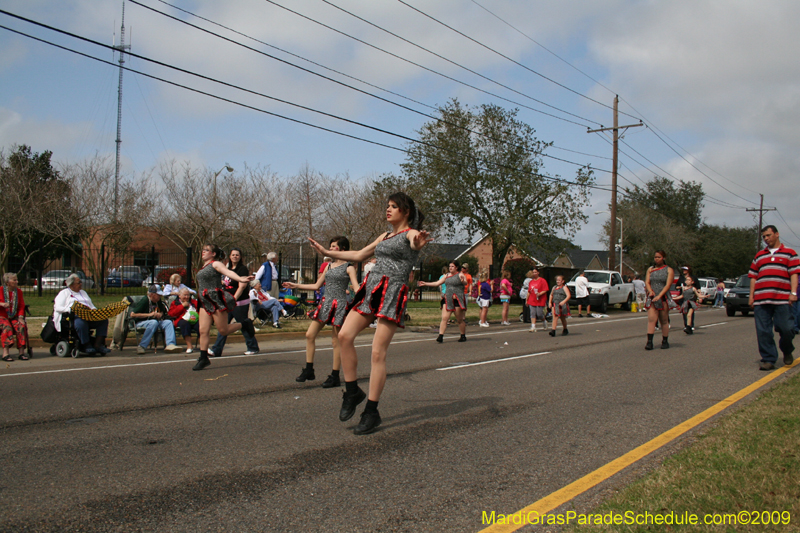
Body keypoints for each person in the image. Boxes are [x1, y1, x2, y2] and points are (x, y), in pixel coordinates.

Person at [308, 192, 431, 435]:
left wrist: (419, 241)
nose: (388, 210)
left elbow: (416, 242)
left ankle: (371, 411)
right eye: (388, 206)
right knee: (344, 335)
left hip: (393, 291)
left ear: (405, 212)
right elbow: (358, 255)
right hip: (372, 289)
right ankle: (353, 391)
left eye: (394, 207)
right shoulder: (385, 235)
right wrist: (327, 251)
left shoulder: (410, 234)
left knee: (377, 352)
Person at [283, 236, 360, 388]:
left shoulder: (349, 267)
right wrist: (295, 285)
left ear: (343, 249)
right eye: (330, 246)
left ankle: (335, 375)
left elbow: (356, 288)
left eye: (334, 246)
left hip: (339, 305)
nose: (331, 249)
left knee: (335, 341)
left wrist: (366, 296)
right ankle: (309, 369)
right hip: (325, 304)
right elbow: (316, 285)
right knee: (309, 334)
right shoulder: (328, 266)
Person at [191, 244, 254, 371]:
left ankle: (245, 323)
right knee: (203, 330)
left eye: (206, 250)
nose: (203, 252)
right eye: (202, 250)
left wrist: (241, 278)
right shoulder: (203, 266)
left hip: (215, 300)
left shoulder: (216, 264)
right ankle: (203, 358)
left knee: (223, 330)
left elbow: (229, 272)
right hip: (204, 300)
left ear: (213, 253)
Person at [748, 225, 798, 371]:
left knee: (787, 329)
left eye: (768, 235)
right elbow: (753, 277)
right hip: (761, 299)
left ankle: (787, 349)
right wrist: (751, 297)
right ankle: (768, 359)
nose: (766, 239)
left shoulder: (790, 253)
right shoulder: (759, 255)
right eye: (764, 236)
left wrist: (793, 293)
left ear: (777, 234)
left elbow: (794, 274)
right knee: (763, 331)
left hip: (782, 299)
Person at [209, 248, 259, 358]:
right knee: (223, 326)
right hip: (227, 301)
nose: (235, 256)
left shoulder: (242, 269)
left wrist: (233, 300)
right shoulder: (228, 268)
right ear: (230, 256)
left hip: (239, 302)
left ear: (240, 257)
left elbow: (242, 286)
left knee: (243, 324)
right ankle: (217, 349)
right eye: (233, 255)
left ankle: (252, 347)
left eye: (237, 255)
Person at [52, 273, 116, 355]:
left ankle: (98, 345)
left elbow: (91, 305)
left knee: (103, 320)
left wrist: (96, 312)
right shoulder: (64, 293)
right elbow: (57, 307)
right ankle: (86, 345)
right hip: (74, 316)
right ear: (72, 284)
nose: (81, 284)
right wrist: (70, 310)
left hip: (88, 315)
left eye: (81, 282)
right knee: (81, 322)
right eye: (78, 282)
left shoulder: (83, 292)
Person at [419, 260, 468, 343]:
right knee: (445, 318)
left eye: (452, 266)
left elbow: (465, 283)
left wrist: (463, 281)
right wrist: (425, 283)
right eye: (449, 266)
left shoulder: (460, 275)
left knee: (459, 319)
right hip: (448, 299)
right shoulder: (446, 276)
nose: (450, 268)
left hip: (457, 299)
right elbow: (437, 283)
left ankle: (463, 335)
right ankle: (440, 336)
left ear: (456, 267)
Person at [129, 285, 181, 354]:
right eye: (158, 295)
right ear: (151, 294)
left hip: (156, 322)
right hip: (142, 322)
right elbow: (132, 314)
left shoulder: (158, 301)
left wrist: (160, 314)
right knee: (153, 322)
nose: (160, 297)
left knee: (168, 322)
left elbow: (163, 311)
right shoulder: (145, 300)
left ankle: (170, 345)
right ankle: (142, 346)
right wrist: (149, 315)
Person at [645, 250, 675, 350]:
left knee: (664, 320)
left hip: (663, 297)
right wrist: (650, 291)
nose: (656, 259)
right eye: (655, 257)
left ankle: (665, 340)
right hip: (652, 297)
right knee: (651, 320)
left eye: (659, 257)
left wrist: (660, 295)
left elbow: (668, 285)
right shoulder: (650, 269)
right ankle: (649, 342)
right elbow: (647, 282)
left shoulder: (669, 270)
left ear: (664, 258)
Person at [0, 273, 28, 361]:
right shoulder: (0, 290)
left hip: (14, 316)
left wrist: (20, 317)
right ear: (7, 282)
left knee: (21, 326)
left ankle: (21, 352)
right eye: (14, 280)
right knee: (7, 327)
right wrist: (2, 304)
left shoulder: (18, 292)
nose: (17, 281)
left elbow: (21, 306)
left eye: (17, 279)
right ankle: (5, 353)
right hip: (2, 316)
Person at [168, 288, 199, 353]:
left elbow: (199, 311)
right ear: (180, 295)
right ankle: (189, 346)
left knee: (201, 325)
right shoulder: (175, 303)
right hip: (181, 320)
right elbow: (171, 314)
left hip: (194, 319)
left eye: (188, 295)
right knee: (185, 324)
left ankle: (204, 346)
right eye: (185, 295)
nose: (187, 297)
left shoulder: (194, 302)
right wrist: (182, 306)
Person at [526, 268, 548, 332]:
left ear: (538, 273)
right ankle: (533, 326)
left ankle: (544, 321)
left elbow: (545, 289)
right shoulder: (531, 282)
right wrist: (527, 300)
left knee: (539, 314)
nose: (534, 273)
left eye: (535, 272)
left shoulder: (542, 280)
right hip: (532, 299)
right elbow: (529, 291)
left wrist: (540, 294)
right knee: (532, 313)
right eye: (533, 272)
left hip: (540, 299)